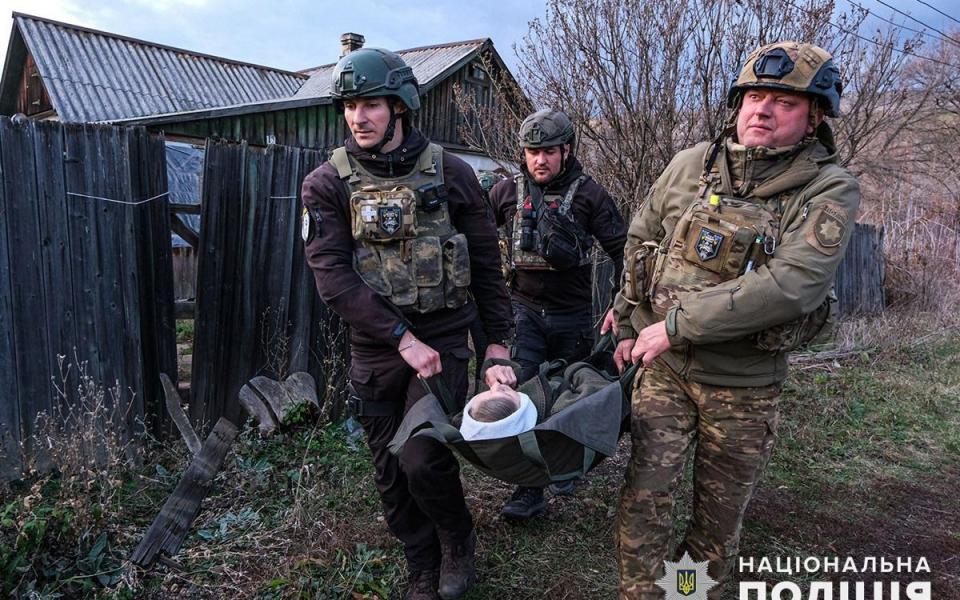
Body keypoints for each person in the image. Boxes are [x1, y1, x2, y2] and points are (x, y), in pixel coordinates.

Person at [606, 41, 861, 599]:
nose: (761, 110)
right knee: (646, 500)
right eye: (753, 96)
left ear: (815, 116)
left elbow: (792, 285)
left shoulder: (828, 188)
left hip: (743, 386)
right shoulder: (690, 164)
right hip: (666, 370)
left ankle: (685, 594)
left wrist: (673, 324)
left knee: (714, 527)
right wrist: (627, 318)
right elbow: (642, 236)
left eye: (783, 102)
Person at [300, 47, 514, 600]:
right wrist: (400, 337)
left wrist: (497, 345)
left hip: (443, 341)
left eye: (371, 104)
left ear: (400, 107)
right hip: (376, 348)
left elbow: (487, 267)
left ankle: (457, 538)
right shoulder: (327, 183)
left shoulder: (453, 173)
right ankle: (422, 562)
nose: (357, 117)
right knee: (389, 473)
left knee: (422, 457)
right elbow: (334, 279)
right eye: (349, 105)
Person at [487, 108, 627, 519]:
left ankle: (567, 465)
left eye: (548, 151)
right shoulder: (506, 192)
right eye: (532, 152)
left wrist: (622, 305)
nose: (539, 160)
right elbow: (476, 235)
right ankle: (528, 489)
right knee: (525, 391)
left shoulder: (590, 195)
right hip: (523, 311)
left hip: (572, 313)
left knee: (570, 395)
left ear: (566, 150)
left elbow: (625, 251)